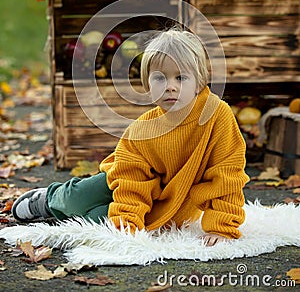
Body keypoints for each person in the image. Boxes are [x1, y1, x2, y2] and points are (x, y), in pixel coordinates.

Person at [12, 28, 249, 246]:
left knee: (95, 219)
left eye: (181, 78)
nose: (170, 86)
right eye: (160, 78)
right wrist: (127, 215)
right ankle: (49, 200)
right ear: (146, 83)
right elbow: (130, 178)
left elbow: (226, 174)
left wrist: (221, 226)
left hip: (166, 203)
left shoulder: (217, 116)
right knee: (77, 199)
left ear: (199, 82)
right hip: (122, 180)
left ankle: (60, 218)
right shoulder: (143, 129)